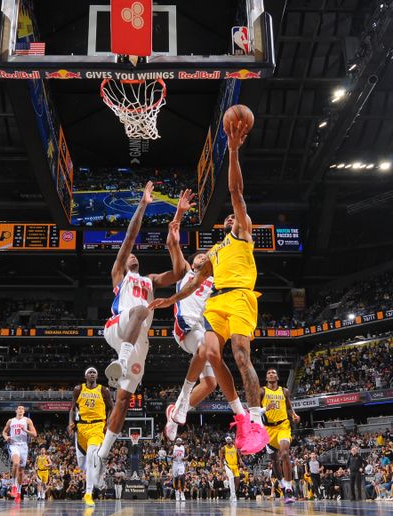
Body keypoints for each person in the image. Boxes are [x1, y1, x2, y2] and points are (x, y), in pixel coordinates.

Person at [150, 118, 269, 454]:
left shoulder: (243, 233)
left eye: (235, 216)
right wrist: (169, 298)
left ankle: (252, 420)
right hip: (209, 309)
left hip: (242, 298)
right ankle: (193, 406)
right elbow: (192, 282)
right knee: (210, 351)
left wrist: (232, 151)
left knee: (233, 361)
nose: (231, 217)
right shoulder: (212, 256)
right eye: (229, 217)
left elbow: (235, 192)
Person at [94, 183, 186, 476]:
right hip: (117, 328)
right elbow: (131, 235)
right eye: (128, 254)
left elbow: (179, 273)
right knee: (139, 309)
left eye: (135, 254)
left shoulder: (149, 280)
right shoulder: (119, 274)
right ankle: (119, 360)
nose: (131, 254)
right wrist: (144, 205)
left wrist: (175, 238)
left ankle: (102, 454)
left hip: (139, 342)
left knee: (123, 400)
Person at [162, 191, 220, 440]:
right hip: (186, 328)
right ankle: (183, 398)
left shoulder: (215, 281)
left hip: (203, 330)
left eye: (206, 257)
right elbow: (172, 242)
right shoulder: (186, 271)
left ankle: (176, 412)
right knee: (205, 348)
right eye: (199, 255)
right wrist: (180, 212)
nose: (202, 257)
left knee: (210, 384)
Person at [68, 367, 113, 507]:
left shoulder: (104, 390)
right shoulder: (78, 389)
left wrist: (108, 423)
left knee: (91, 458)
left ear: (97, 376)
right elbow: (72, 408)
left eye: (94, 372)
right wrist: (71, 422)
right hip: (81, 428)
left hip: (97, 427)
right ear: (85, 375)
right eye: (90, 372)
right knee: (82, 464)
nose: (92, 374)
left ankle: (88, 494)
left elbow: (111, 407)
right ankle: (91, 476)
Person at [261, 368, 299, 503]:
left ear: (277, 377)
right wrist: (265, 409)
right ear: (266, 378)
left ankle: (288, 489)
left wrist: (294, 415)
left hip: (283, 426)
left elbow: (288, 407)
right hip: (268, 429)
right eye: (269, 373)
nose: (271, 374)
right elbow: (253, 410)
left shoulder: (284, 391)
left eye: (274, 373)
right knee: (274, 461)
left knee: (284, 454)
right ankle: (282, 484)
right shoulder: (262, 391)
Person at [3, 405, 37, 502]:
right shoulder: (10, 421)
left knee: (21, 471)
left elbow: (35, 434)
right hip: (13, 445)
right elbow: (4, 432)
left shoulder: (27, 421)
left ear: (24, 411)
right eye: (19, 408)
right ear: (16, 410)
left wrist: (25, 430)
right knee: (16, 463)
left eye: (23, 409)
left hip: (24, 446)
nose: (21, 410)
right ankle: (13, 485)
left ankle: (18, 492)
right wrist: (6, 437)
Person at [220, 436, 243, 502]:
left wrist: (241, 462)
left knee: (237, 480)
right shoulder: (223, 448)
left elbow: (239, 457)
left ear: (231, 440)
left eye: (229, 439)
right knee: (231, 478)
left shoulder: (235, 447)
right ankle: (233, 496)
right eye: (227, 439)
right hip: (228, 466)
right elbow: (221, 459)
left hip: (235, 466)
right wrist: (221, 468)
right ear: (226, 441)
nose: (228, 440)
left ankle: (233, 494)